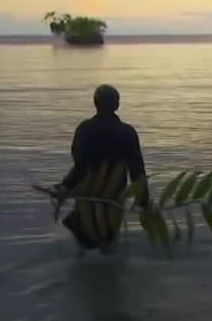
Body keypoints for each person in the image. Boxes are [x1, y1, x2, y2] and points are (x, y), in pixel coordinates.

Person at [55, 84, 148, 249]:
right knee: (108, 245)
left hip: (88, 195)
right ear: (117, 104)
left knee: (85, 245)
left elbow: (80, 166)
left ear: (95, 103)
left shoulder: (85, 129)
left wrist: (64, 186)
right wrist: (143, 201)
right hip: (113, 198)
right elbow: (137, 169)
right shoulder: (127, 132)